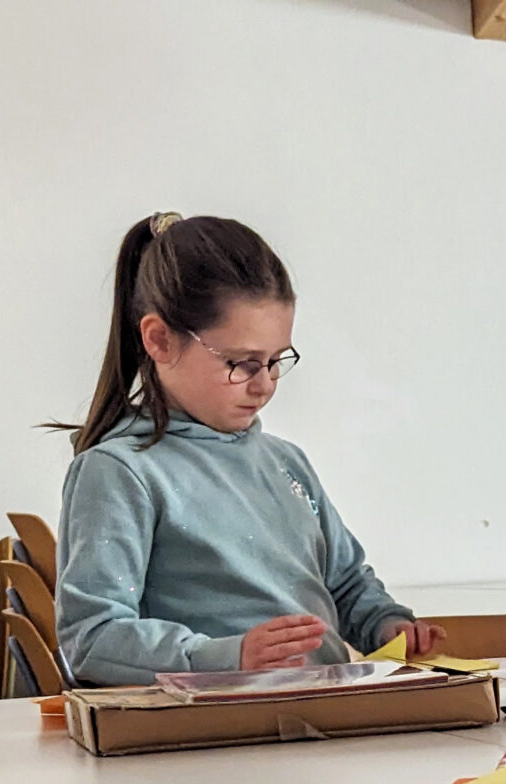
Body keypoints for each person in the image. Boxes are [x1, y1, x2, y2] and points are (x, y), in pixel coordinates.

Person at [56, 213, 441, 686]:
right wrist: (225, 657)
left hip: (322, 716)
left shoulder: (286, 462)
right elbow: (92, 638)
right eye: (241, 363)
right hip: (213, 741)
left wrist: (387, 622)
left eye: (276, 361)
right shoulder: (118, 472)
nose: (264, 386)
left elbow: (345, 583)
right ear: (158, 339)